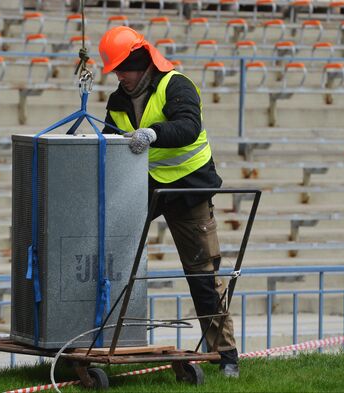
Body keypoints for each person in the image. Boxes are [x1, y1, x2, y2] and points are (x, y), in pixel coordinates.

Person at [98, 26, 239, 378]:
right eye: (115, 70)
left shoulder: (177, 85)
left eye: (124, 69)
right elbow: (111, 143)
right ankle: (102, 343)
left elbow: (188, 127)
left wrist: (152, 134)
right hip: (143, 189)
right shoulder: (117, 101)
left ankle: (226, 357)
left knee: (202, 275)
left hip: (188, 189)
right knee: (111, 266)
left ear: (142, 62)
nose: (120, 76)